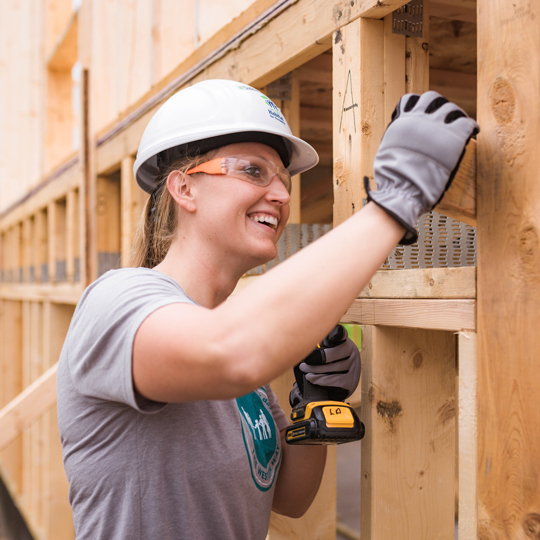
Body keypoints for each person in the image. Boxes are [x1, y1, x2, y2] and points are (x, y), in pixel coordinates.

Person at [56, 79, 478, 540]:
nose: (280, 194)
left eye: (283, 178)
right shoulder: (116, 302)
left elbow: (289, 499)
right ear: (183, 188)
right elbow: (229, 352)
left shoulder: (235, 340)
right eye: (254, 172)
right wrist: (394, 203)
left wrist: (318, 400)